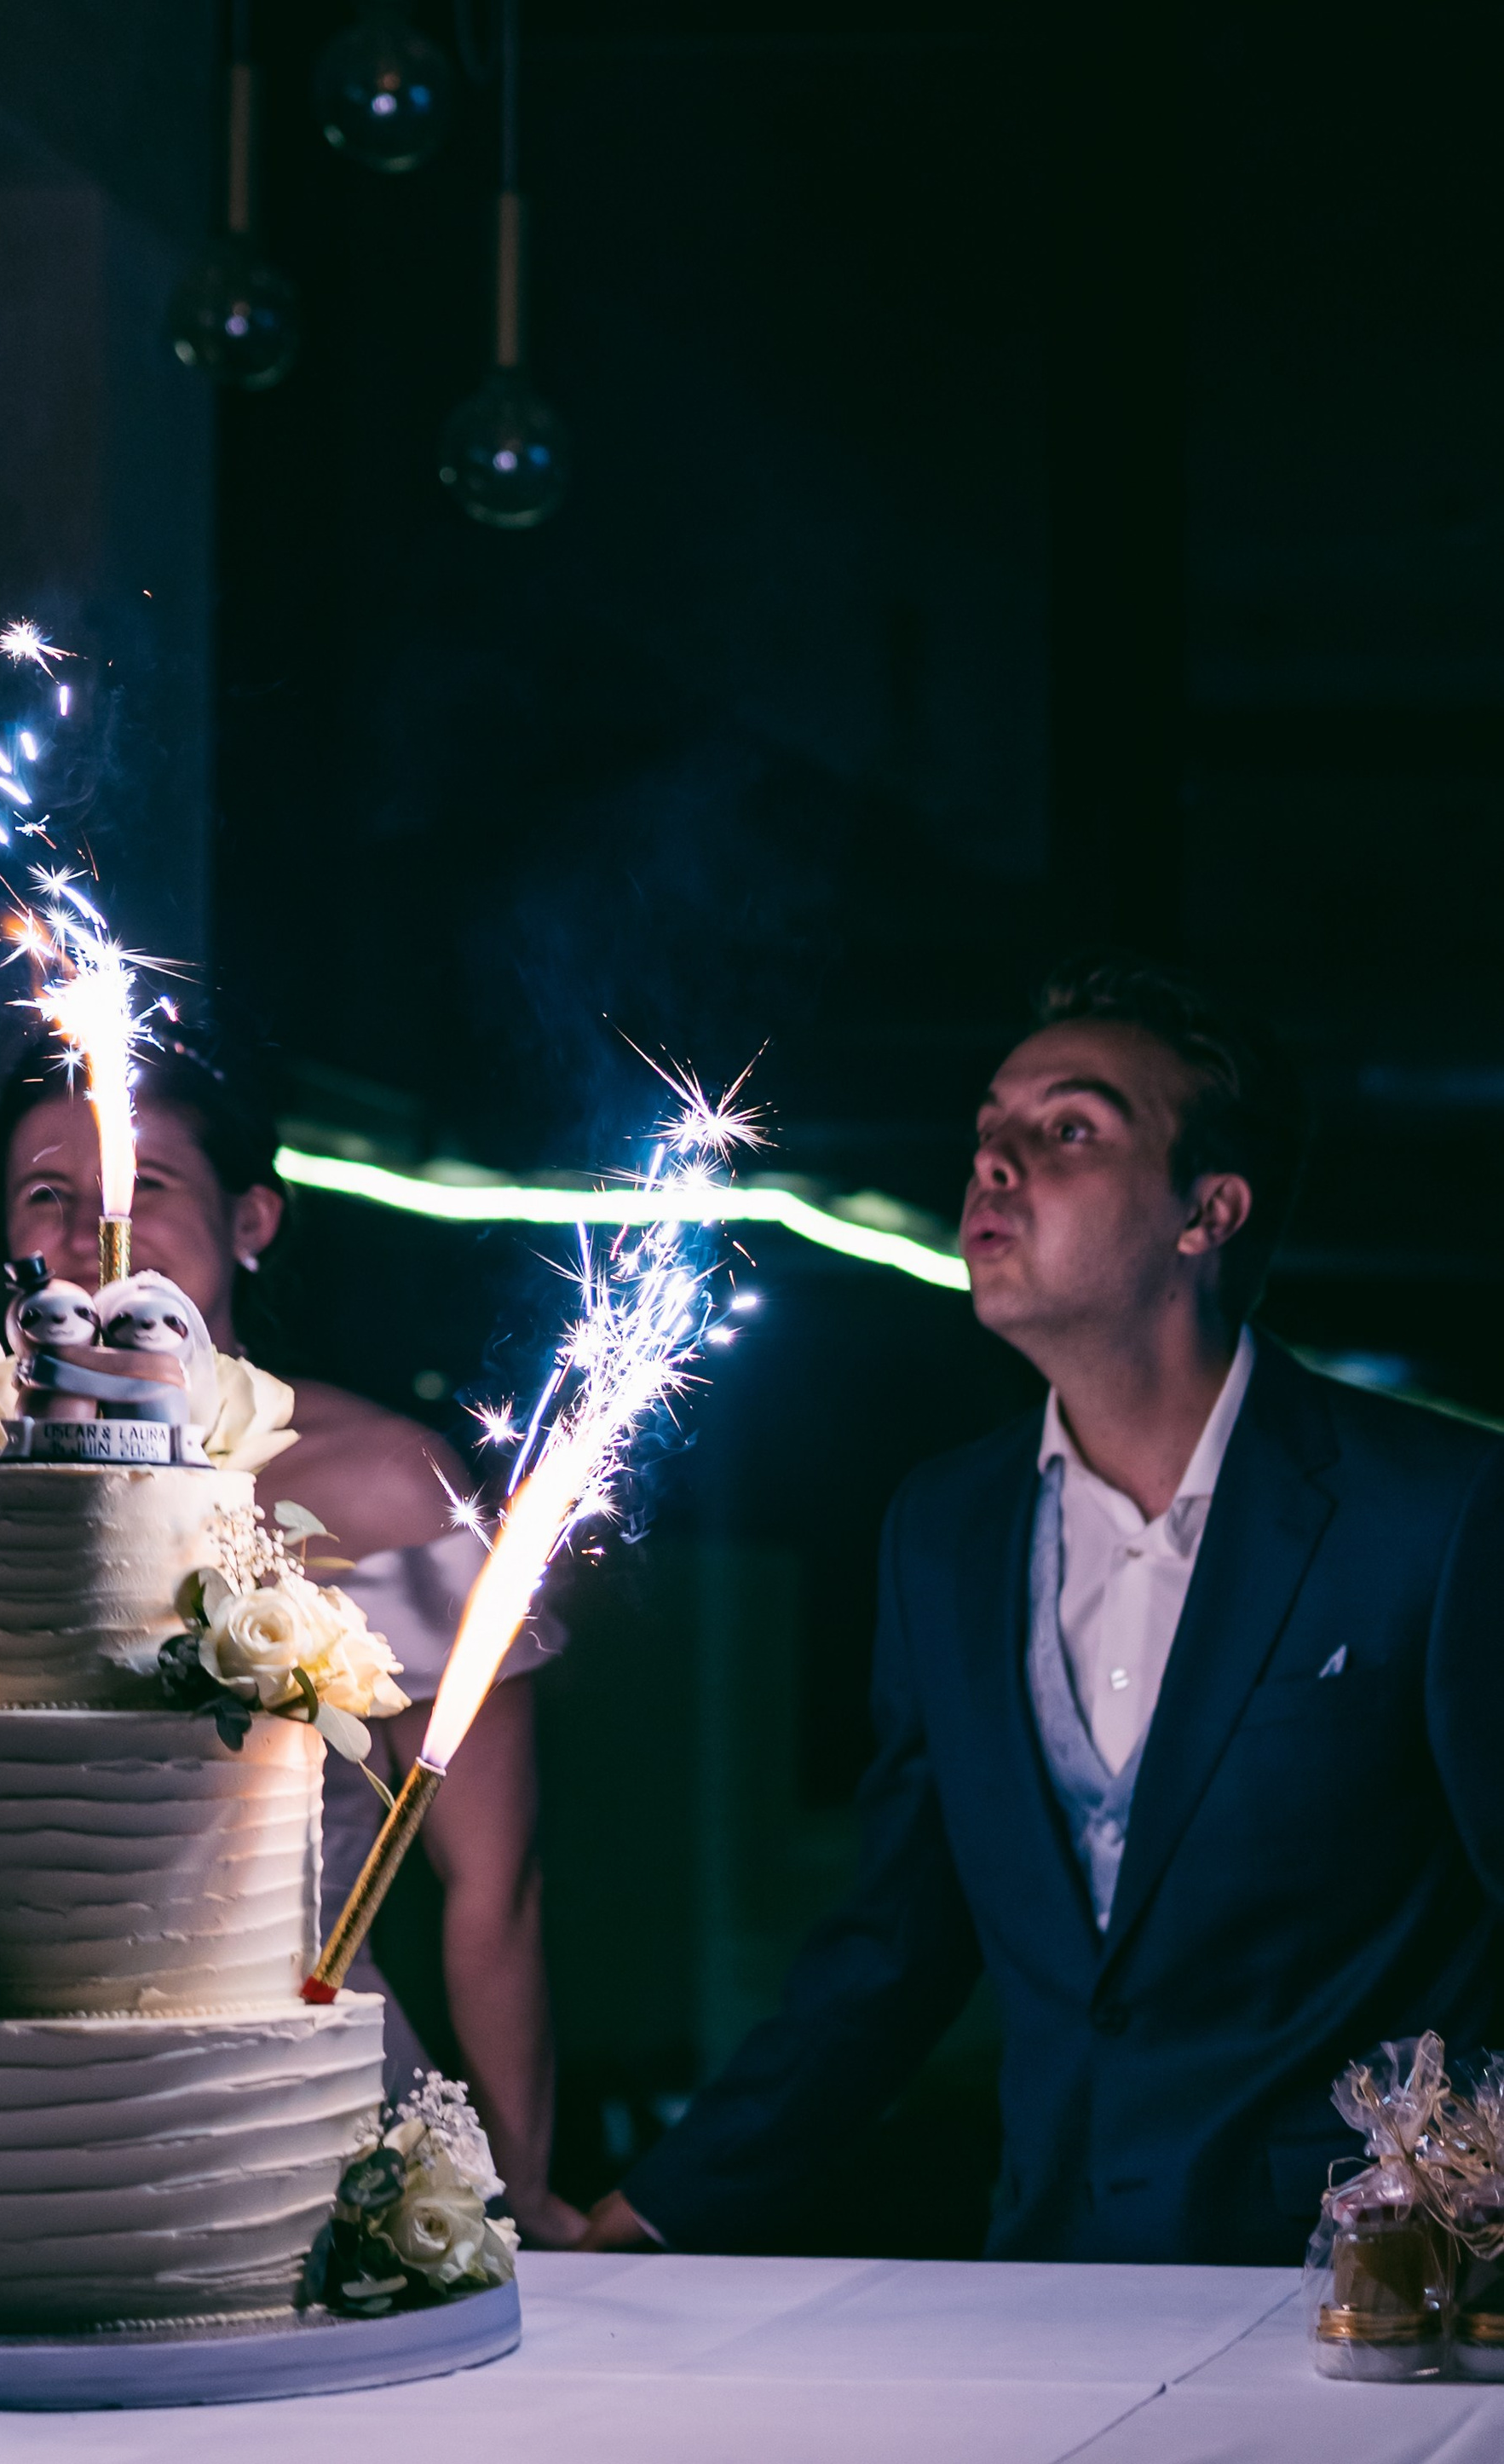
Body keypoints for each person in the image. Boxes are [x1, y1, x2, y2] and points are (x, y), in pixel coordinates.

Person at [585, 955, 1504, 2265]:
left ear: (1209, 1211)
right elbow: (898, 1945)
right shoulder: (943, 1531)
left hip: (1364, 2301)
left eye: (1067, 1129)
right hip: (1048, 2279)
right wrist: (643, 2213)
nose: (994, 1165)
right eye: (988, 1132)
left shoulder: (1435, 1509)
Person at [0, 1043, 585, 2248]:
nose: (92, 1225)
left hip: (281, 2095)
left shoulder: (383, 1483)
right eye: (44, 1194)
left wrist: (525, 2188)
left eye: (145, 1180)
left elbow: (494, 1882)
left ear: (254, 1214)